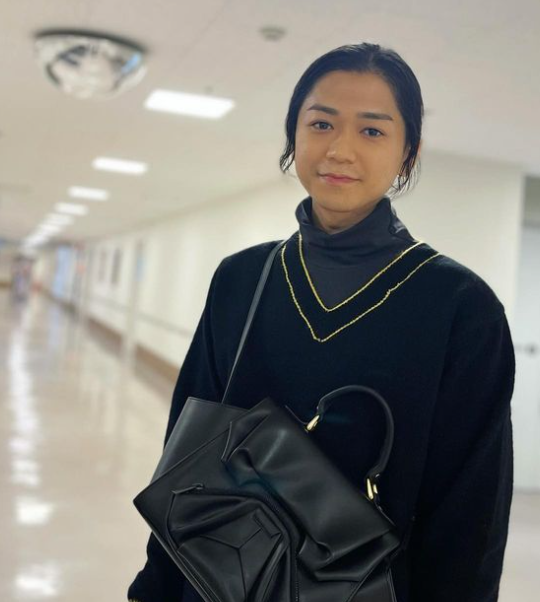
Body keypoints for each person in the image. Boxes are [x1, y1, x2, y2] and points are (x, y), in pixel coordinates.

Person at [128, 42, 515, 602]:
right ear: (294, 134)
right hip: (216, 581)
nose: (340, 149)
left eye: (372, 130)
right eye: (321, 123)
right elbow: (184, 457)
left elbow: (471, 512)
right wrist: (156, 589)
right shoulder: (243, 278)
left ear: (408, 152)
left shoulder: (460, 307)